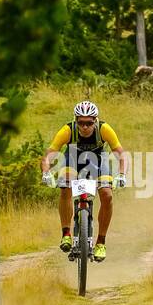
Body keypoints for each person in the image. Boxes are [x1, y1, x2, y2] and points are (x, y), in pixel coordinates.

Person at [40, 101, 129, 261]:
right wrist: (46, 172)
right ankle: (66, 233)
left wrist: (122, 174)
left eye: (89, 123)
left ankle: (100, 243)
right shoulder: (68, 130)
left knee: (107, 195)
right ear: (76, 120)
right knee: (65, 186)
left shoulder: (104, 129)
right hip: (73, 157)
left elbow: (120, 153)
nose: (85, 127)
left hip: (98, 159)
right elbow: (50, 154)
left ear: (95, 120)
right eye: (81, 122)